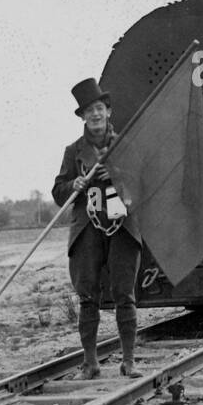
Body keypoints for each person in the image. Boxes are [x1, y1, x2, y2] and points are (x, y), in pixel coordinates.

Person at [51, 78, 143, 379]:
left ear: (109, 112)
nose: (95, 115)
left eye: (100, 109)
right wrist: (72, 185)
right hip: (87, 229)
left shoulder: (125, 145)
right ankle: (90, 363)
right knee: (87, 296)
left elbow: (142, 185)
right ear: (82, 117)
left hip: (122, 227)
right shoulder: (72, 151)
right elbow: (57, 190)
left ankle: (129, 361)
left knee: (124, 294)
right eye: (89, 111)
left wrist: (114, 172)